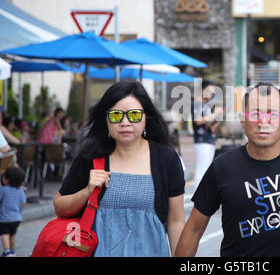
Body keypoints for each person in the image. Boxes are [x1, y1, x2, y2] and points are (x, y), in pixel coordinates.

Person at [175, 82, 280, 257]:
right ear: (242, 121)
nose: (263, 121)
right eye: (255, 114)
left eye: (272, 114)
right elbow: (193, 229)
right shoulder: (222, 167)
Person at [53, 81, 185, 257]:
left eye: (134, 115)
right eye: (116, 115)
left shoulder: (166, 159)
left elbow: (176, 221)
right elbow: (59, 207)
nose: (125, 122)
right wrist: (87, 191)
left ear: (146, 117)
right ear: (106, 119)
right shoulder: (89, 158)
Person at [191, 80, 223, 188]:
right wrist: (214, 115)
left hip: (210, 139)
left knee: (207, 168)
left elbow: (211, 126)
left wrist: (218, 117)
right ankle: (197, 193)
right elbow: (198, 121)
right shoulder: (196, 103)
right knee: (202, 168)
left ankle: (203, 194)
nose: (211, 94)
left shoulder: (207, 105)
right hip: (201, 140)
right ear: (203, 90)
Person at [0, 167, 26, 257]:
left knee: (5, 234)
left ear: (7, 180)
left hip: (4, 218)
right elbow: (23, 203)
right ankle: (12, 250)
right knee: (13, 234)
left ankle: (7, 251)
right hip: (16, 218)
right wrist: (19, 211)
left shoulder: (3, 190)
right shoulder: (20, 190)